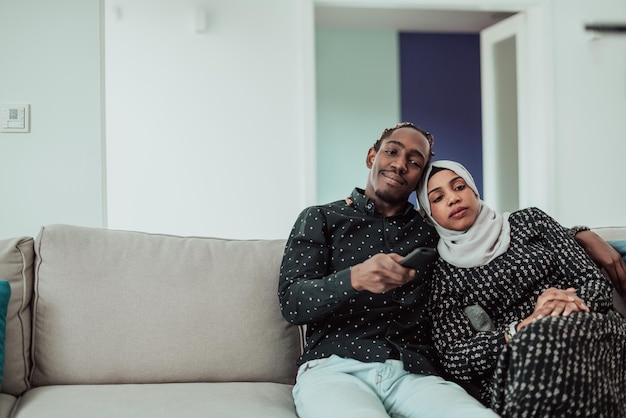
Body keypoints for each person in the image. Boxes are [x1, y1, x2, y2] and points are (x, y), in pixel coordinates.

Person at [278, 123, 499, 417]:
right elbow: (294, 303)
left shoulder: (431, 231)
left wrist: (574, 234)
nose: (399, 164)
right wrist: (354, 278)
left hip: (415, 374)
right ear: (372, 157)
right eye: (392, 152)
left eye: (414, 161)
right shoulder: (321, 218)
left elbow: (492, 231)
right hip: (336, 369)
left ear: (420, 176)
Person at [416, 159, 626, 417]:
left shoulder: (531, 221)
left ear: (473, 190)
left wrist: (556, 307)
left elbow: (593, 283)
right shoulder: (443, 274)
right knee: (538, 345)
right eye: (437, 198)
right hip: (521, 353)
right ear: (428, 214)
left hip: (585, 323)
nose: (453, 199)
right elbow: (454, 356)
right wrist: (519, 330)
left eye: (459, 187)